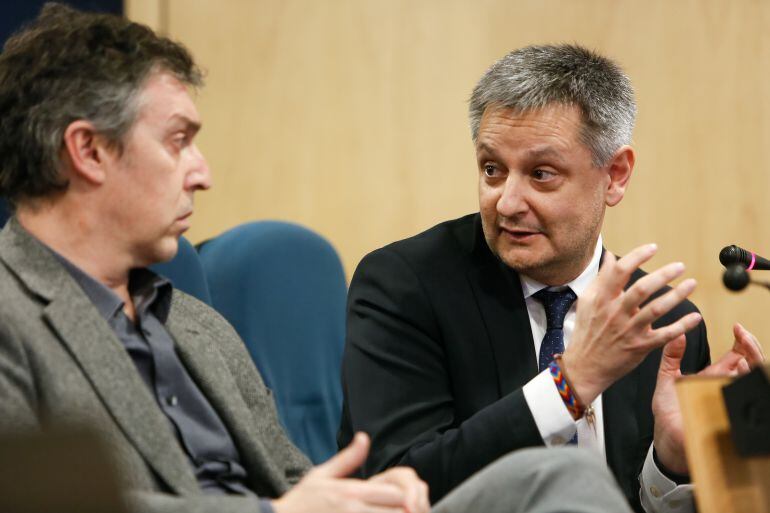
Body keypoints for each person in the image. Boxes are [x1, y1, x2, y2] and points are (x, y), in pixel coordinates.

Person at [0, 5, 638, 513]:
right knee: (556, 478)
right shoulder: (12, 316)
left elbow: (298, 480)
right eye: (178, 141)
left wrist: (371, 497)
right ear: (88, 152)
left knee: (550, 479)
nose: (202, 172)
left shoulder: (197, 328)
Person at [339, 44, 765, 513]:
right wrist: (570, 383)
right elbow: (395, 487)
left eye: (541, 174)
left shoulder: (662, 323)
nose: (506, 202)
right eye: (492, 169)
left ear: (615, 175)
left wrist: (673, 462)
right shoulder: (404, 287)